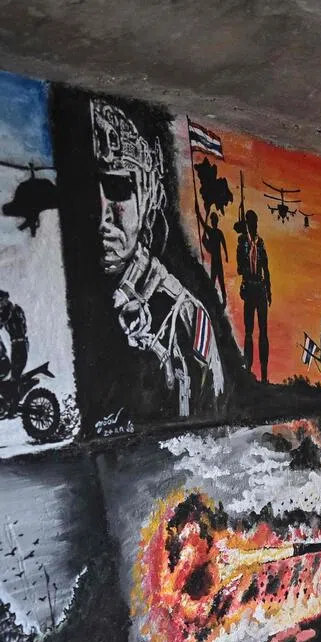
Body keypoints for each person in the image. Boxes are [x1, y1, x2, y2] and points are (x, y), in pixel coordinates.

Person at [92, 99, 223, 421]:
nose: (101, 215)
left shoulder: (184, 315)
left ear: (148, 194)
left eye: (118, 187)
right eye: (87, 189)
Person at [236, 208, 271, 381]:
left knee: (263, 332)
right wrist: (244, 249)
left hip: (260, 289)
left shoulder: (260, 243)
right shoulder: (242, 242)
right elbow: (239, 268)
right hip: (249, 288)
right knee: (249, 331)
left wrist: (269, 290)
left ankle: (264, 373)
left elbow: (266, 268)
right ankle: (249, 368)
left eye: (255, 222)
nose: (254, 225)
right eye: (252, 223)